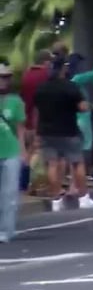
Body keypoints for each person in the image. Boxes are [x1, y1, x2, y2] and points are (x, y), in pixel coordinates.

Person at [34, 54, 93, 211]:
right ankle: (84, 197)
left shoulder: (42, 88)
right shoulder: (70, 87)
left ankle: (56, 200)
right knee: (77, 163)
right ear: (63, 68)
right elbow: (82, 107)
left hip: (46, 131)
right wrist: (89, 106)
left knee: (52, 164)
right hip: (68, 131)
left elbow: (37, 110)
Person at [0, 60, 27, 243]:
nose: (4, 80)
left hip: (11, 151)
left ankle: (6, 230)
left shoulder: (15, 101)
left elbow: (20, 128)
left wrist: (23, 150)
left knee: (9, 193)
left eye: (6, 77)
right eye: (1, 77)